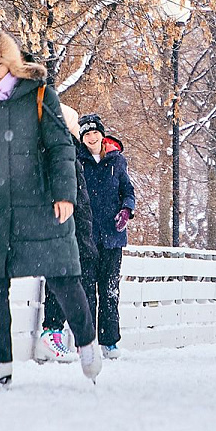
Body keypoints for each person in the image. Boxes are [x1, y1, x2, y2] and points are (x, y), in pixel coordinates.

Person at [0, 26, 100, 387]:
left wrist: (65, 195)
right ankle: (0, 362)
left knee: (63, 276)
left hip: (42, 202)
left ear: (11, 61)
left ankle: (87, 342)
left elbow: (62, 147)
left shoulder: (39, 93)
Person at [69, 113, 135, 358]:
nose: (92, 137)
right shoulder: (77, 162)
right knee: (86, 291)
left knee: (109, 291)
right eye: (87, 134)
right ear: (82, 138)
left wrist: (126, 211)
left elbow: (128, 191)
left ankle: (109, 342)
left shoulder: (117, 162)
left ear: (102, 134)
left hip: (112, 237)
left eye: (95, 132)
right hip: (85, 237)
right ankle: (86, 342)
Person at [38, 104, 100, 362]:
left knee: (75, 280)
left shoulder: (71, 153)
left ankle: (69, 336)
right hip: (66, 228)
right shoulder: (60, 151)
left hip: (77, 229)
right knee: (62, 278)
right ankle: (52, 333)